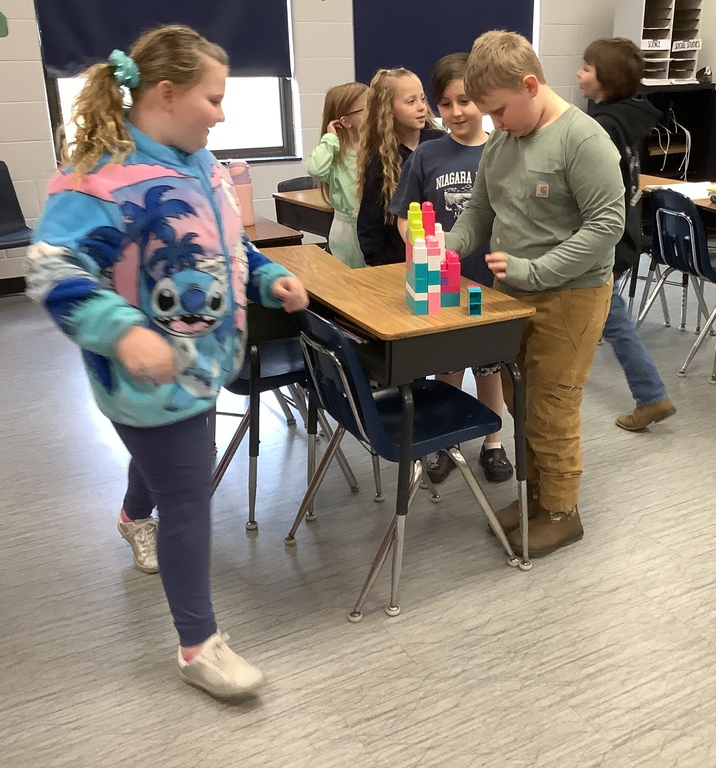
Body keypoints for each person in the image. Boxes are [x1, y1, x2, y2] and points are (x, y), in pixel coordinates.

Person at [25, 25, 309, 700]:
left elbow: (226, 248)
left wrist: (266, 278)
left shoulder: (203, 165)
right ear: (166, 92)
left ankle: (131, 517)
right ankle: (198, 646)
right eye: (213, 98)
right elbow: (51, 268)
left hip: (201, 365)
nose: (222, 111)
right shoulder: (98, 180)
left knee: (163, 465)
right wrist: (121, 331)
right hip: (144, 376)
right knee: (188, 497)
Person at [445, 30, 625, 558]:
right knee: (523, 402)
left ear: (530, 85)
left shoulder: (584, 141)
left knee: (552, 406)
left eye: (499, 111)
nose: (493, 125)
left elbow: (605, 228)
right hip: (513, 292)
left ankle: (562, 513)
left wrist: (535, 269)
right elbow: (480, 210)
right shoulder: (502, 141)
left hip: (570, 294)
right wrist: (447, 248)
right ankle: (535, 498)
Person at [388, 53, 513, 485]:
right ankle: (445, 440)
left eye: (465, 101)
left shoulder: (503, 149)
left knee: (491, 365)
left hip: (491, 280)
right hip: (441, 282)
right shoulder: (426, 155)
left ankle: (493, 441)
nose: (456, 112)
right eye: (445, 103)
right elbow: (404, 213)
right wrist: (415, 240)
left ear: (481, 100)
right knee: (447, 365)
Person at [578, 37, 677, 432]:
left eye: (586, 68)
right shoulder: (629, 118)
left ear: (604, 78)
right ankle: (651, 395)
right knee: (607, 315)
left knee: (611, 317)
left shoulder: (604, 125)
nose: (579, 74)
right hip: (624, 234)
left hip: (608, 238)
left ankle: (652, 396)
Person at [356, 67, 443, 266]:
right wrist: (382, 270)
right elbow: (370, 228)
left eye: (422, 98)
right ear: (389, 109)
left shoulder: (440, 143)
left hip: (444, 257)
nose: (421, 107)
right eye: (411, 102)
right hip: (400, 264)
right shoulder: (380, 158)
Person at [306, 82, 369, 268]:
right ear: (345, 121)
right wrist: (330, 139)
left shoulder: (375, 149)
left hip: (371, 225)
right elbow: (316, 169)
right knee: (351, 279)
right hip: (347, 231)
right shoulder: (336, 153)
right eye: (367, 109)